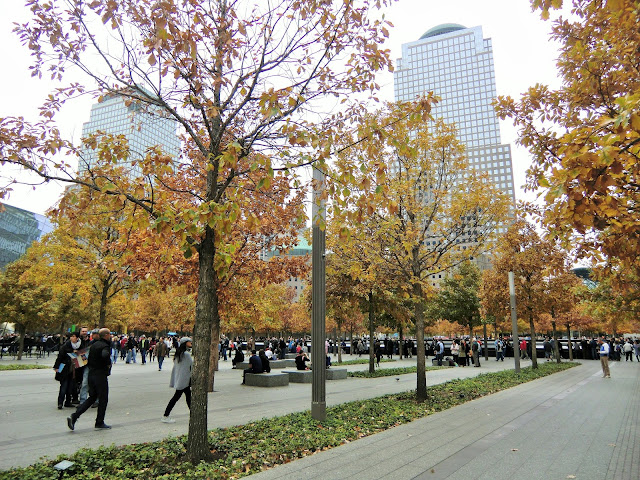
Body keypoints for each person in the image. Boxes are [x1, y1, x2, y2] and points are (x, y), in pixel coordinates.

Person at [67, 328, 112, 430]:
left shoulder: (94, 345)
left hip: (91, 374)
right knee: (103, 399)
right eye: (109, 334)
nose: (110, 336)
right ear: (106, 335)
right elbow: (105, 355)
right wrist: (108, 363)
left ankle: (75, 416)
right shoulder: (105, 346)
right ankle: (99, 422)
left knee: (92, 397)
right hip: (100, 375)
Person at [161, 337, 193, 423]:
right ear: (185, 343)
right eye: (190, 342)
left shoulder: (179, 353)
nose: (191, 343)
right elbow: (191, 366)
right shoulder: (186, 354)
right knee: (177, 397)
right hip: (185, 380)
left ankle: (193, 414)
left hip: (180, 379)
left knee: (187, 397)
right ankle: (165, 415)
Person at [53, 330, 81, 409]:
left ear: (77, 338)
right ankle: (60, 403)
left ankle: (68, 402)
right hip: (65, 368)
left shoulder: (79, 346)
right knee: (64, 386)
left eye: (74, 336)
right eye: (71, 336)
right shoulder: (65, 346)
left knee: (70, 387)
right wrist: (56, 367)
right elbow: (60, 357)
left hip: (74, 370)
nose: (72, 338)